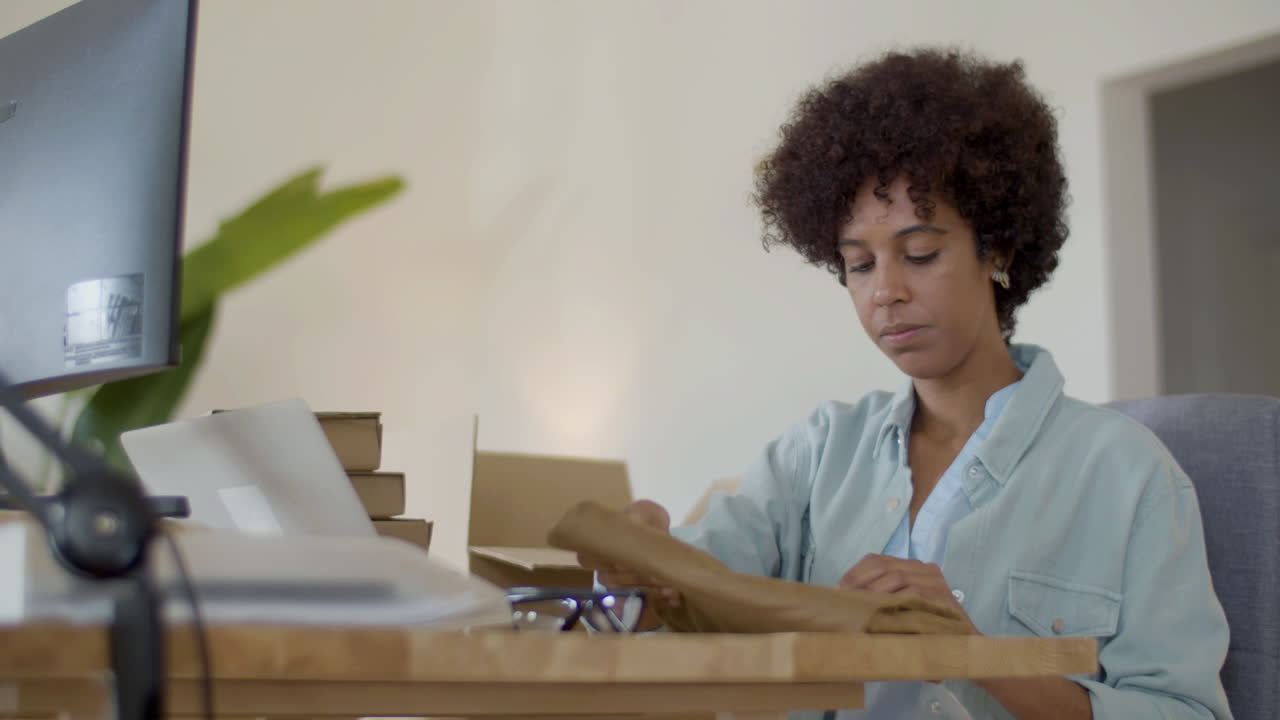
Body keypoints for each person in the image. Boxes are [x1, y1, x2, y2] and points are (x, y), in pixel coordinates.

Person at [583, 48, 1232, 720]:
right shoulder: (817, 454)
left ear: (999, 250)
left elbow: (1186, 712)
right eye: (858, 265)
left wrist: (970, 652)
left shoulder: (1126, 477)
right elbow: (685, 595)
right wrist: (639, 566)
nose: (886, 292)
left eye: (920, 254)